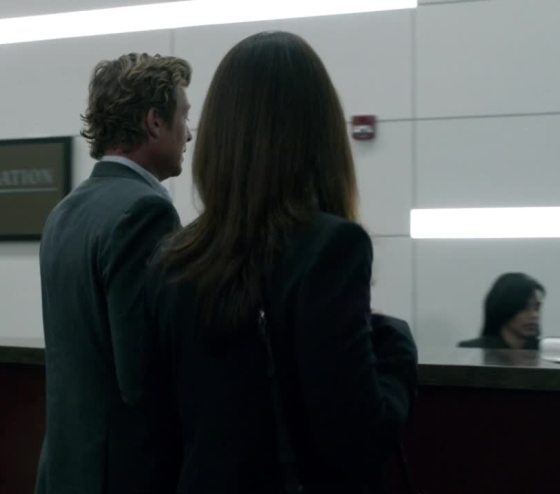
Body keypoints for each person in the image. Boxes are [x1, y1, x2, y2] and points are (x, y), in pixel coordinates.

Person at [146, 31, 417, 493]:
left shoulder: (173, 257)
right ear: (320, 132)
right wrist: (397, 348)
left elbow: (163, 425)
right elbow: (356, 439)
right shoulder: (332, 248)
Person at [36, 53, 191, 494]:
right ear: (154, 122)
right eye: (184, 116)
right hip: (124, 473)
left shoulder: (64, 211)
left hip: (67, 468)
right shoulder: (146, 211)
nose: (189, 133)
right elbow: (142, 375)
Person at [459, 272, 545, 350]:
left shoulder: (545, 351)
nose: (535, 315)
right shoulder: (473, 350)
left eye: (536, 308)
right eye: (524, 308)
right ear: (504, 308)